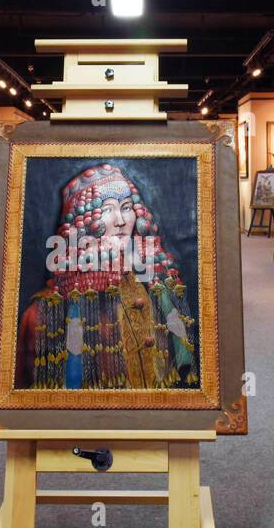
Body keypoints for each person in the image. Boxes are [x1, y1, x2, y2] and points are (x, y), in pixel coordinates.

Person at [14, 163, 196, 390]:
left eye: (127, 207)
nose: (120, 220)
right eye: (108, 210)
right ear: (83, 225)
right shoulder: (43, 315)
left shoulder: (155, 287)